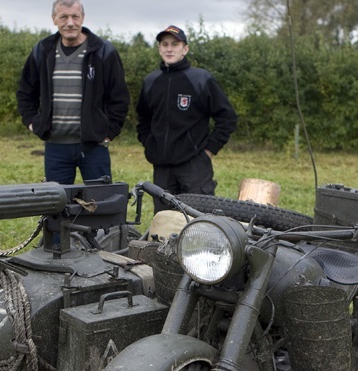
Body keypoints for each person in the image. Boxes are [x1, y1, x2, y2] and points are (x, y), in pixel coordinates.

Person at [17, 0, 130, 184]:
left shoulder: (103, 51)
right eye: (63, 17)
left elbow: (119, 97)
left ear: (82, 18)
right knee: (57, 207)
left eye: (75, 17)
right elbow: (25, 92)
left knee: (101, 205)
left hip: (94, 146)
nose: (70, 23)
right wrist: (32, 122)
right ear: (54, 19)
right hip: (55, 147)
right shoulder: (43, 50)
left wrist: (108, 132)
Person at [136, 25, 237, 212]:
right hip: (162, 167)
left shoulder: (200, 79)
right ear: (159, 49)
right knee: (165, 222)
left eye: (175, 44)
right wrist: (150, 145)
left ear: (185, 49)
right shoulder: (151, 81)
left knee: (199, 221)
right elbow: (143, 119)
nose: (169, 48)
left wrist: (209, 150)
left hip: (194, 164)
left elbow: (227, 117)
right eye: (164, 44)